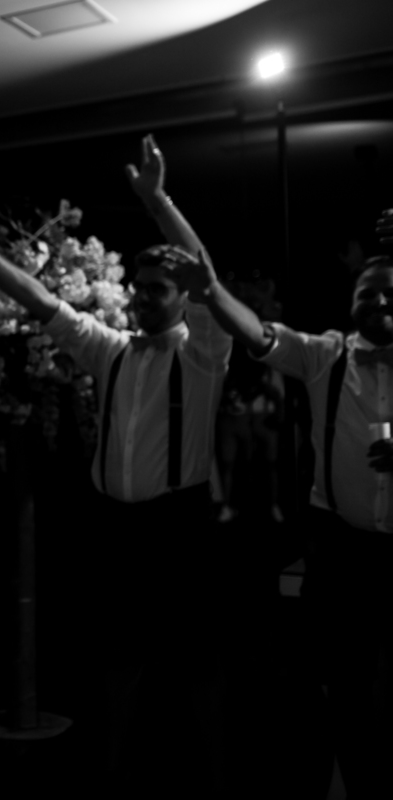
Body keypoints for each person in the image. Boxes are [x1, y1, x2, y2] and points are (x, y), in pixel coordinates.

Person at [0, 135, 231, 797]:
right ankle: (112, 773)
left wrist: (158, 202)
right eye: (141, 288)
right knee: (118, 660)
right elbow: (42, 301)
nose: (146, 298)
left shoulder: (206, 355)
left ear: (182, 296)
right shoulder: (112, 349)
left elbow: (205, 271)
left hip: (180, 528)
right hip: (117, 530)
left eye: (160, 289)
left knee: (196, 665)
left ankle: (214, 778)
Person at [182, 214, 393, 799]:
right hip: (346, 554)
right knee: (342, 688)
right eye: (366, 291)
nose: (378, 300)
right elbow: (256, 335)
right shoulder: (327, 356)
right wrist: (212, 291)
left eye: (389, 291)